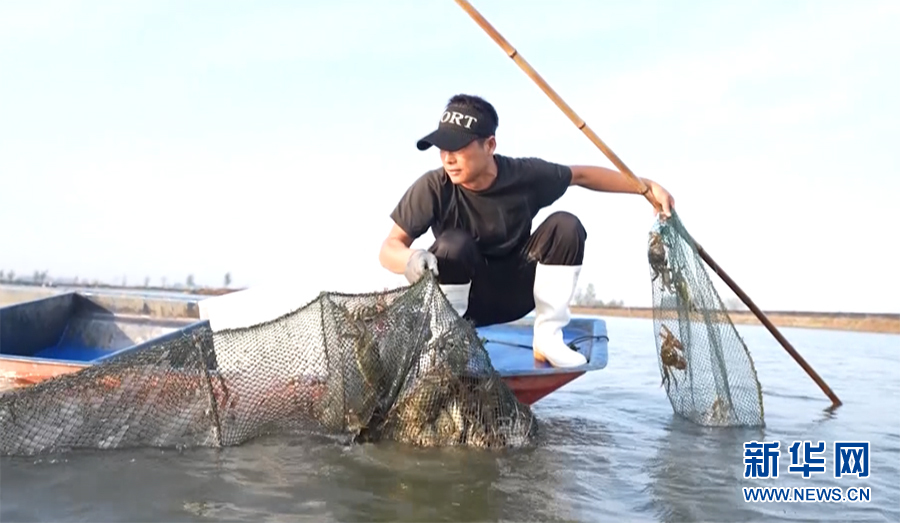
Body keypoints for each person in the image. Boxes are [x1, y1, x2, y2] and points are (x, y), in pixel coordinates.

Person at [378, 94, 675, 368]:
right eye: (443, 149)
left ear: (490, 145)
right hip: (463, 302)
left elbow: (582, 175)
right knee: (452, 244)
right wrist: (412, 259)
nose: (448, 158)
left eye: (458, 148)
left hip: (519, 293)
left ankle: (547, 338)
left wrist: (646, 187)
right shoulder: (433, 187)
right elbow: (390, 247)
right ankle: (449, 343)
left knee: (566, 225)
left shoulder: (526, 175)